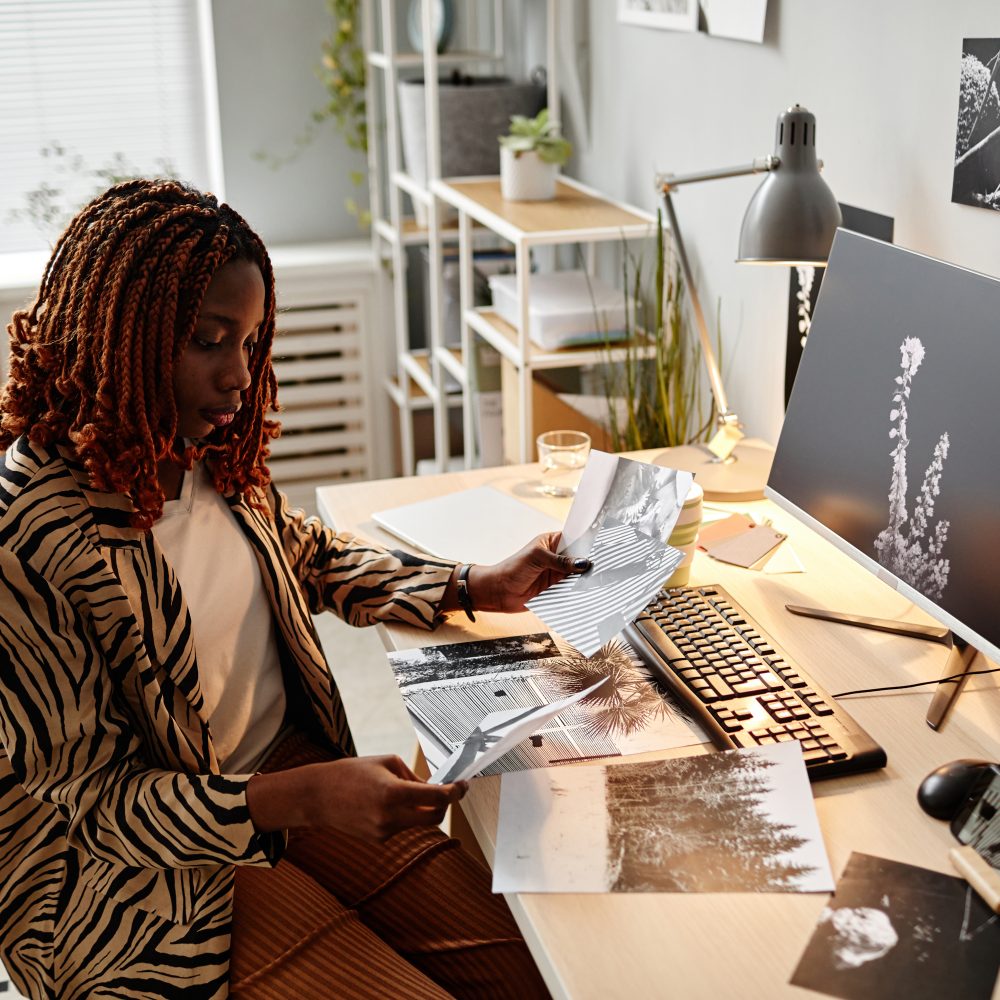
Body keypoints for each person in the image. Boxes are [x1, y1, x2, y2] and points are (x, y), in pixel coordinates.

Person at [0, 179, 586, 999]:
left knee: (542, 974)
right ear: (117, 336)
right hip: (134, 887)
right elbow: (98, 803)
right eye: (209, 339)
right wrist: (304, 798)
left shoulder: (197, 444)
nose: (239, 377)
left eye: (248, 340)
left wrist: (471, 583)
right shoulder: (28, 534)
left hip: (279, 770)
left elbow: (297, 551)